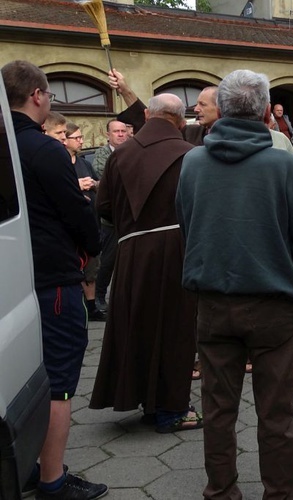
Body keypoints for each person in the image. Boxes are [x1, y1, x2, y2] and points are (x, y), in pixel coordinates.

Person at [176, 69, 293, 500]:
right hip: (272, 303)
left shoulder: (193, 162)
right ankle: (281, 493)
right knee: (276, 413)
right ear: (263, 111)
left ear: (222, 107)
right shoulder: (285, 165)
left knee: (218, 410)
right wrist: (277, 261)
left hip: (213, 302)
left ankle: (221, 491)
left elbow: (188, 226)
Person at [3, 59, 107, 500]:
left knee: (26, 379)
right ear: (38, 95)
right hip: (53, 280)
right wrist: (93, 241)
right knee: (59, 380)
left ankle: (30, 464)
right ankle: (53, 481)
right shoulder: (46, 150)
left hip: (16, 279)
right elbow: (78, 216)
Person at [89, 94, 201, 434]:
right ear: (181, 122)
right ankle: (171, 410)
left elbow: (103, 206)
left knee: (135, 324)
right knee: (175, 329)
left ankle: (145, 400)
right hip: (175, 249)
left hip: (131, 251)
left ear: (148, 116)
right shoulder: (189, 154)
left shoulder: (119, 155)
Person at [65, 121, 107, 322]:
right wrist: (76, 185)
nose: (81, 141)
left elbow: (99, 184)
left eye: (82, 137)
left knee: (92, 267)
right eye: (77, 138)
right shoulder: (59, 162)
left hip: (90, 222)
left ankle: (91, 307)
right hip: (69, 227)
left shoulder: (85, 163)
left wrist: (95, 184)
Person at [108, 69, 219, 143]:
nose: (196, 109)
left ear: (220, 107)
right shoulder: (192, 133)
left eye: (203, 105)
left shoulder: (234, 137)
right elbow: (155, 124)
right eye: (197, 104)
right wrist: (125, 91)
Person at [92, 120, 129, 314]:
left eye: (124, 131)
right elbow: (103, 175)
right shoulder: (102, 154)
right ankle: (99, 297)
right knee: (107, 261)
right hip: (110, 219)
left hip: (130, 217)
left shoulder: (134, 151)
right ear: (108, 134)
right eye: (117, 131)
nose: (121, 134)